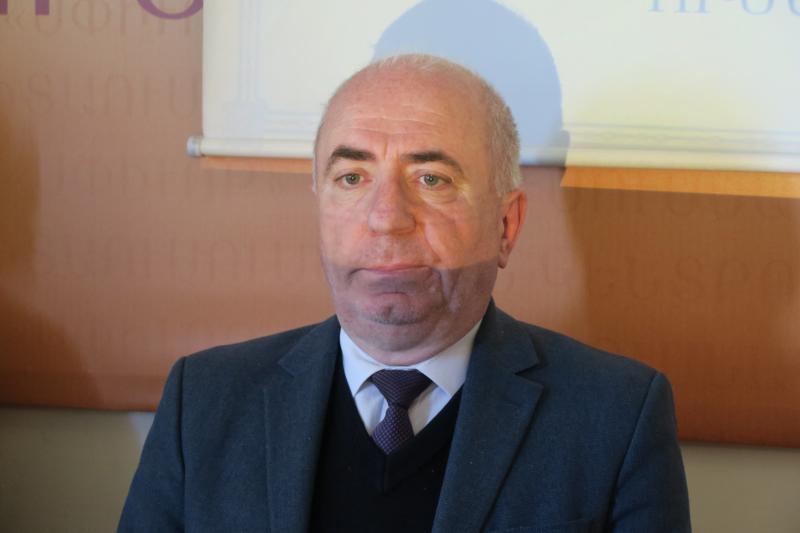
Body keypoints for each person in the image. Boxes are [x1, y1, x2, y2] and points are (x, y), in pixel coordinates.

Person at [119, 54, 691, 532]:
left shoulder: (616, 415)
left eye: (431, 179)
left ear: (506, 224)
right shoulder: (205, 400)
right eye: (352, 178)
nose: (386, 218)